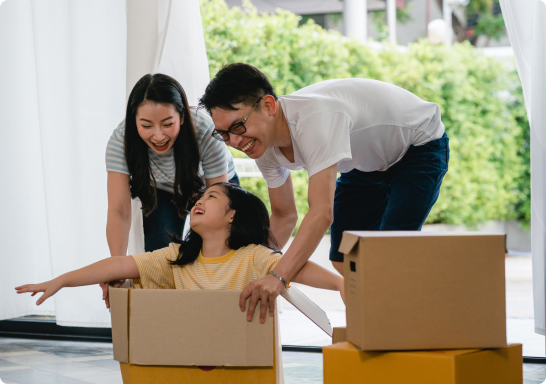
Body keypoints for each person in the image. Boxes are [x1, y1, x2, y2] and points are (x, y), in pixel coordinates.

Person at [199, 63, 449, 322]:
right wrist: (246, 269)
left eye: (238, 127)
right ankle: (379, 323)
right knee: (344, 258)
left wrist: (277, 277)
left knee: (390, 255)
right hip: (365, 163)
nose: (235, 142)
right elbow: (284, 217)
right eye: (224, 134)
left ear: (269, 106)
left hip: (419, 144)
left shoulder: (314, 120)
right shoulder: (262, 146)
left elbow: (321, 213)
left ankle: (418, 319)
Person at [16, 183, 344, 327]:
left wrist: (340, 284)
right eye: (200, 196)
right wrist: (61, 281)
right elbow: (119, 264)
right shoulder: (176, 258)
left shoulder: (253, 257)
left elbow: (297, 269)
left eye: (212, 196)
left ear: (232, 215)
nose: (199, 201)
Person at [102, 74, 238, 307]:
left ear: (183, 116)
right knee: (159, 256)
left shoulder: (204, 128)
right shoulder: (120, 141)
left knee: (221, 252)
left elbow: (218, 199)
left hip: (214, 189)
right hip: (164, 191)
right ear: (134, 120)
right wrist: (116, 268)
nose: (158, 135)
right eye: (146, 125)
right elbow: (119, 211)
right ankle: (168, 321)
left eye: (167, 124)